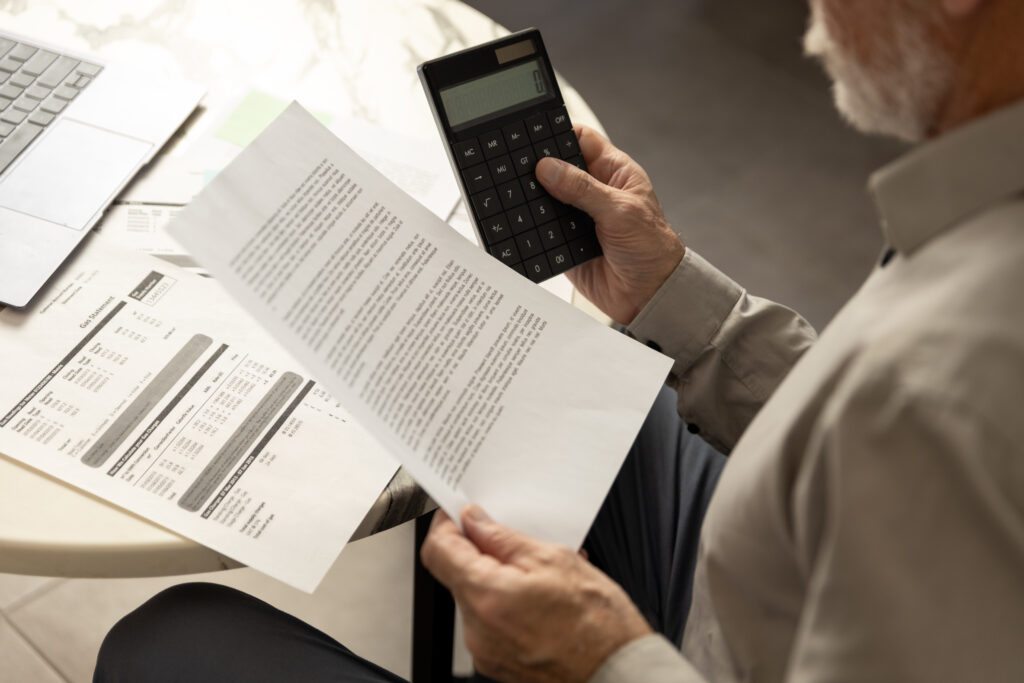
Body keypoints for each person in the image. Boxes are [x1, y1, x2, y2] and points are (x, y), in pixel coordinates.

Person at [94, 0, 1024, 680]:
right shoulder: (973, 257)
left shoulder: (949, 383)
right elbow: (858, 438)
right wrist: (674, 294)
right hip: (788, 567)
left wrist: (602, 658)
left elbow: (908, 424)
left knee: (167, 647)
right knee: (589, 396)